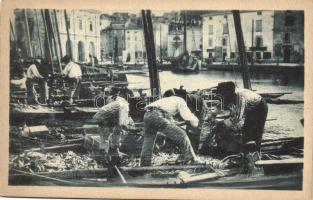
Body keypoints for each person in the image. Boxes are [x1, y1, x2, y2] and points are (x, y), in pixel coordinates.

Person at [140, 89, 203, 166]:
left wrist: (176, 125)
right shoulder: (179, 100)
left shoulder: (164, 101)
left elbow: (170, 121)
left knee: (149, 139)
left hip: (147, 115)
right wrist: (195, 122)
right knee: (182, 135)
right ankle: (192, 159)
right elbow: (187, 115)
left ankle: (144, 164)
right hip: (157, 115)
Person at [215, 81, 268, 152]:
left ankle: (256, 153)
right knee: (246, 130)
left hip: (260, 106)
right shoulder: (229, 94)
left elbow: (237, 117)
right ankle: (246, 151)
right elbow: (225, 108)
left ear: (227, 92)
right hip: (250, 108)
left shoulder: (240, 96)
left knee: (257, 132)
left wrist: (222, 124)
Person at [93, 87, 134, 163]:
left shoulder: (115, 98)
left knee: (106, 137)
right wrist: (130, 128)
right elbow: (122, 123)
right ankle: (110, 154)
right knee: (119, 130)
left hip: (100, 116)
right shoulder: (124, 103)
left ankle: (109, 154)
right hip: (103, 118)